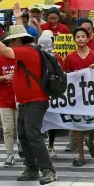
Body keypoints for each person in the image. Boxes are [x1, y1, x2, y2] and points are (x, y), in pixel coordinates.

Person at [0, 6, 57, 185]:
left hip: (35, 102)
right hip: (25, 102)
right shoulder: (26, 50)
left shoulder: (27, 52)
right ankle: (31, 168)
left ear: (18, 41)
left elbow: (4, 50)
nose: (10, 44)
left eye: (12, 41)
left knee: (33, 135)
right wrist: (18, 19)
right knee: (23, 135)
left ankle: (48, 170)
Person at [65, 27, 94, 167]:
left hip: (93, 95)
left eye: (83, 36)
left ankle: (90, 140)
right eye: (78, 36)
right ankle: (81, 155)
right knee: (77, 125)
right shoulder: (70, 57)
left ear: (88, 38)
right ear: (74, 39)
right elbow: (67, 75)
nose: (81, 39)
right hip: (77, 96)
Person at [0, 40, 18, 167]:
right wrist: (4, 77)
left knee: (21, 129)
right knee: (8, 130)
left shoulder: (21, 57)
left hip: (21, 99)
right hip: (5, 100)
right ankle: (10, 155)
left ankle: (23, 149)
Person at [37, 30, 65, 159]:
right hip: (51, 94)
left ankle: (47, 146)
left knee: (42, 121)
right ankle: (50, 146)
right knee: (50, 120)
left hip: (41, 94)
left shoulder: (36, 56)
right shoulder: (56, 57)